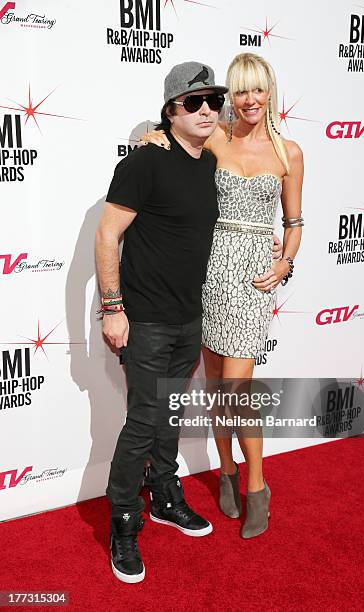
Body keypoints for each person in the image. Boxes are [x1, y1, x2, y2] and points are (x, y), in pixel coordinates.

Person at [141, 52, 304, 539]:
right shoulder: (216, 136)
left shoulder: (289, 152)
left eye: (258, 89)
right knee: (215, 386)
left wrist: (285, 261)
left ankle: (257, 484)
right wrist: (152, 135)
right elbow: (174, 132)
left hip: (254, 277)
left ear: (270, 91)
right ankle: (227, 470)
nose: (250, 99)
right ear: (229, 95)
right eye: (240, 91)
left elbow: (294, 223)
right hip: (209, 270)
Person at [95, 61, 229, 583]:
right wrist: (113, 308)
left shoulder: (210, 157)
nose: (206, 110)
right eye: (193, 102)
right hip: (145, 318)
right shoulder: (145, 161)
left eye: (213, 101)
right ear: (170, 109)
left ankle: (165, 496)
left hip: (188, 317)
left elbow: (261, 138)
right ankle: (124, 519)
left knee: (169, 415)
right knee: (143, 421)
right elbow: (108, 236)